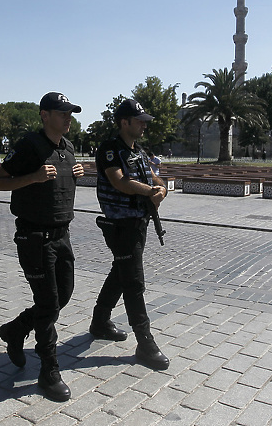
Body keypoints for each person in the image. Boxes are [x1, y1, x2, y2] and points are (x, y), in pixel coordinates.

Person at [0, 92, 84, 402]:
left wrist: (75, 174)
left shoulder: (68, 148)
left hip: (62, 235)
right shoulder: (29, 145)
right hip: (34, 237)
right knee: (48, 304)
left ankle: (16, 330)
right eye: (62, 112)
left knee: (63, 296)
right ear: (45, 115)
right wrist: (32, 177)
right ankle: (48, 369)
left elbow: (59, 183)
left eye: (70, 112)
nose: (68, 117)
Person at [90, 99, 170, 371]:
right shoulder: (111, 149)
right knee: (134, 282)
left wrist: (161, 189)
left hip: (139, 221)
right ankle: (144, 342)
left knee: (121, 271)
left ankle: (100, 321)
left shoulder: (138, 150)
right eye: (139, 121)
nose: (144, 125)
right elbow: (119, 181)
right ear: (124, 122)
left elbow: (153, 177)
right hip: (120, 224)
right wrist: (150, 192)